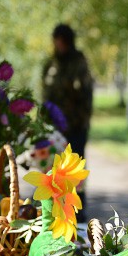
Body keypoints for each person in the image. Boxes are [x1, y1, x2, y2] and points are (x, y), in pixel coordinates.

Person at [42, 24, 93, 220]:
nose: (59, 44)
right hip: (54, 129)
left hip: (75, 127)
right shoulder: (51, 65)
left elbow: (85, 95)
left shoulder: (79, 63)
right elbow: (46, 94)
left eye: (62, 40)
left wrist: (80, 123)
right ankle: (53, 208)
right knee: (52, 168)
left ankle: (77, 209)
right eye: (57, 40)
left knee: (75, 170)